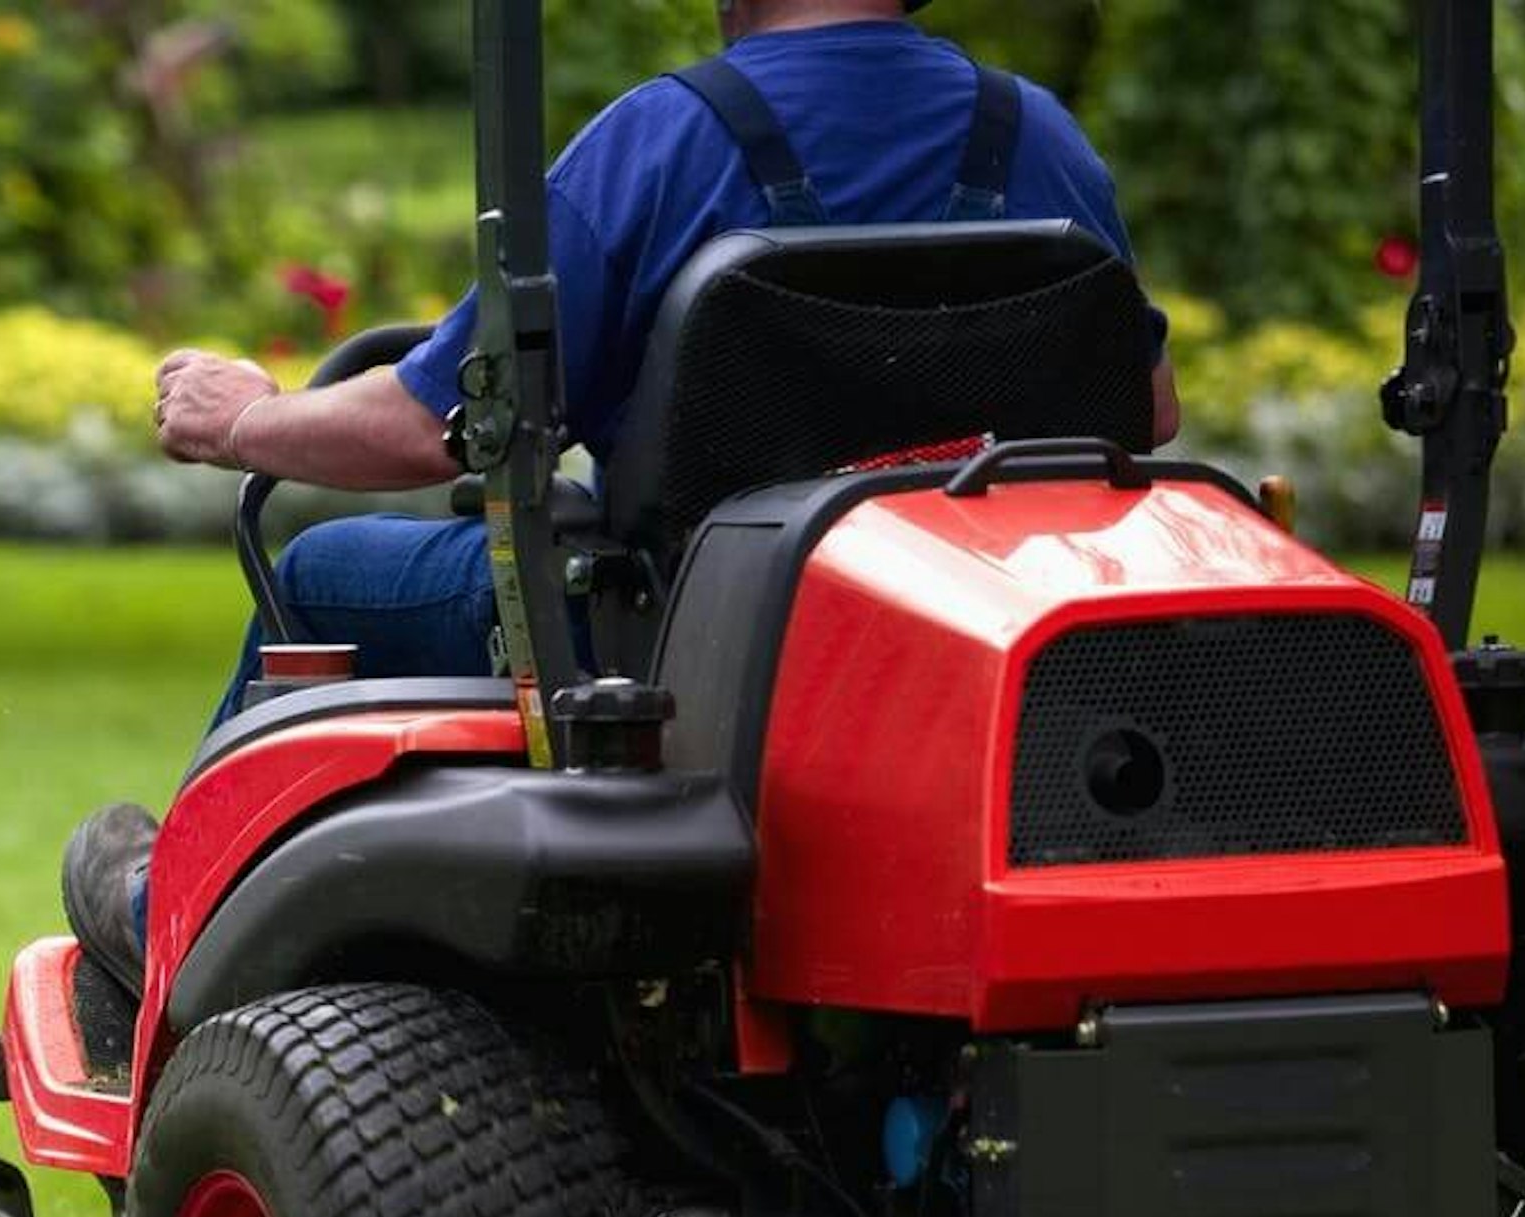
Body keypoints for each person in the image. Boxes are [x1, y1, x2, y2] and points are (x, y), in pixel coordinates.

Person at [61, 0, 1180, 1015]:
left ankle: (170, 915)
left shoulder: (663, 143)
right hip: (972, 643)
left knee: (321, 569)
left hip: (676, 650)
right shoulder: (1035, 135)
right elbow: (1151, 405)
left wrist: (247, 419)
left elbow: (429, 421)